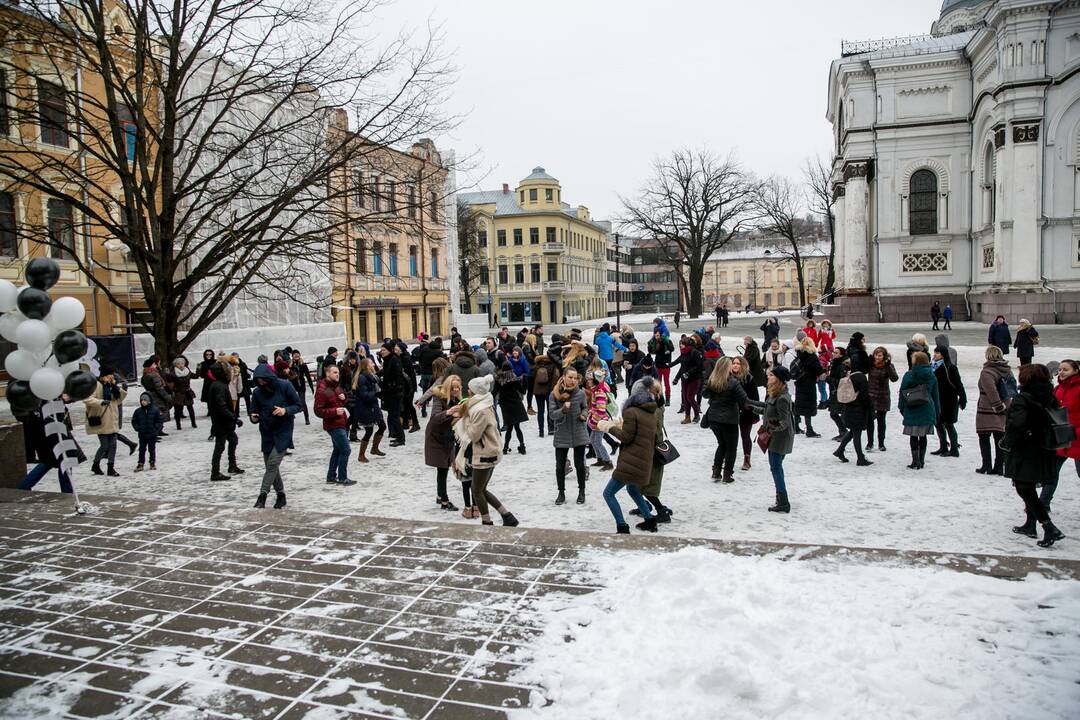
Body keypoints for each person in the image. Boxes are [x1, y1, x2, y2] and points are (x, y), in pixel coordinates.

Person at [1002, 363, 1066, 547]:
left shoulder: (1023, 398)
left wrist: (1008, 443)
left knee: (1024, 487)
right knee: (1027, 485)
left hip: (1027, 449)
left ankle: (1048, 526)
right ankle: (1031, 524)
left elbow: (1016, 425)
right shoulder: (1049, 394)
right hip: (1044, 448)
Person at [450, 376, 519, 527]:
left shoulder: (480, 410)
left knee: (476, 491)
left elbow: (474, 435)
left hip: (484, 454)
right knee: (481, 489)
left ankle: (487, 521)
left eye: (470, 388)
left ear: (475, 392)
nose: (467, 390)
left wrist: (464, 419)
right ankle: (507, 516)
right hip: (489, 451)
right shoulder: (484, 403)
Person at [595, 378, 661, 534]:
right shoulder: (651, 412)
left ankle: (622, 526)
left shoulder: (631, 412)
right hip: (644, 460)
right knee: (632, 489)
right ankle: (650, 520)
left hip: (630, 461)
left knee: (608, 493)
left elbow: (626, 438)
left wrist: (609, 427)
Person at [249, 364, 301, 509]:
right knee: (271, 466)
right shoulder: (257, 393)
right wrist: (253, 417)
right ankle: (281, 494)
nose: (262, 383)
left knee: (272, 463)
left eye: (264, 380)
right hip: (266, 431)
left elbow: (298, 405)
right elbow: (253, 411)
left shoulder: (285, 386)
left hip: (283, 430)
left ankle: (262, 496)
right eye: (258, 381)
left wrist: (285, 410)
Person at [702, 356, 751, 483]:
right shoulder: (733, 382)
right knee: (731, 448)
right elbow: (745, 401)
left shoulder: (712, 381)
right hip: (729, 420)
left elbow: (705, 394)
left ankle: (716, 472)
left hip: (714, 419)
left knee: (721, 445)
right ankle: (727, 474)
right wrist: (763, 406)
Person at [549, 368, 591, 505]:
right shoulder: (555, 394)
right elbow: (552, 415)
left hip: (578, 431)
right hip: (562, 432)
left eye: (575, 378)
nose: (573, 380)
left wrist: (584, 415)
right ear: (564, 377)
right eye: (570, 377)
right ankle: (561, 493)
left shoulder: (581, 393)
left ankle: (582, 491)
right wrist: (563, 410)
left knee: (580, 465)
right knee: (560, 466)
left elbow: (585, 407)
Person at [425, 374, 464, 512]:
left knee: (444, 467)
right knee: (442, 468)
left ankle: (439, 495)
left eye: (458, 388)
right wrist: (448, 412)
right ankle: (444, 500)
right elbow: (434, 418)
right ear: (448, 387)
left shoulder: (457, 399)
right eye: (453, 388)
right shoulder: (439, 398)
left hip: (447, 437)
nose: (455, 390)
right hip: (436, 437)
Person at [313, 363, 355, 487]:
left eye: (338, 372)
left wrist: (344, 398)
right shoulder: (322, 390)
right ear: (327, 374)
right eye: (335, 372)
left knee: (337, 450)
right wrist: (334, 412)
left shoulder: (336, 387)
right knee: (345, 449)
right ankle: (342, 478)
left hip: (341, 422)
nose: (338, 375)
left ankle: (331, 476)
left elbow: (342, 402)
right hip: (333, 424)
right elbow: (317, 410)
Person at [976, 345, 1015, 475]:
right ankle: (999, 466)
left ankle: (986, 465)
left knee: (984, 436)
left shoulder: (987, 371)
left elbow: (991, 390)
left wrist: (997, 406)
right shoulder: (1007, 369)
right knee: (1000, 437)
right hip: (1006, 405)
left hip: (988, 407)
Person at [760, 366, 794, 513]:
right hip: (776, 436)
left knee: (776, 468)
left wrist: (770, 430)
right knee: (776, 467)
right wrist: (751, 406)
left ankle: (783, 501)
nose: (768, 377)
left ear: (778, 379)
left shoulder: (782, 398)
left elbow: (785, 422)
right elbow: (767, 410)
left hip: (780, 438)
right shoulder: (774, 394)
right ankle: (781, 498)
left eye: (771, 375)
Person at [898, 351, 940, 470]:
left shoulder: (909, 375)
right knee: (923, 436)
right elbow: (935, 395)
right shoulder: (931, 375)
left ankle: (915, 461)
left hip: (912, 407)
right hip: (927, 407)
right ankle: (921, 461)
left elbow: (902, 393)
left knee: (913, 436)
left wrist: (901, 407)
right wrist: (937, 411)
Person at [1049, 360, 1080, 511]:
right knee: (1051, 473)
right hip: (1060, 437)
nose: (1061, 372)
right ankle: (1043, 504)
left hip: (1077, 438)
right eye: (1060, 369)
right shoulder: (1057, 389)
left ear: (1075, 371)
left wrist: (1075, 432)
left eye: (1065, 370)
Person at [84, 367, 127, 477]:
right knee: (104, 445)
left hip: (112, 419)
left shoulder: (111, 387)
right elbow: (87, 399)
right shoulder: (96, 386)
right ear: (103, 376)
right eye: (109, 376)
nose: (111, 377)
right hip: (102, 420)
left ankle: (110, 468)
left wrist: (115, 386)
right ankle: (96, 464)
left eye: (112, 375)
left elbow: (119, 399)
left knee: (113, 445)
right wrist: (101, 402)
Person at [207, 361, 242, 482]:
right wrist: (234, 418)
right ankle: (215, 472)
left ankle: (232, 465)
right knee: (219, 447)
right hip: (221, 423)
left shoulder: (219, 385)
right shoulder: (218, 386)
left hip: (224, 422)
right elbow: (221, 406)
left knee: (233, 440)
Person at [931, 342, 966, 458]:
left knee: (949, 424)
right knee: (938, 424)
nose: (935, 354)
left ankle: (954, 449)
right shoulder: (932, 366)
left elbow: (958, 384)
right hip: (937, 399)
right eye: (935, 352)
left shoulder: (950, 367)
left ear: (943, 354)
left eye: (938, 352)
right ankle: (943, 446)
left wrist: (962, 398)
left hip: (949, 400)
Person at [834, 365, 872, 466]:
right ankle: (860, 457)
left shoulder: (849, 375)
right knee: (857, 434)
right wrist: (870, 407)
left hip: (848, 406)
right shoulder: (861, 377)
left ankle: (840, 451)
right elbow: (864, 396)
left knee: (853, 431)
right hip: (858, 409)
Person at [865, 347, 899, 452]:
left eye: (880, 355)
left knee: (881, 420)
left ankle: (881, 443)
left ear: (884, 356)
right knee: (870, 420)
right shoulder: (870, 365)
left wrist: (888, 366)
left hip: (883, 396)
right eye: (876, 355)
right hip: (871, 395)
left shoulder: (888, 366)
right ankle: (870, 443)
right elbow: (862, 369)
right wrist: (868, 360)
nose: (877, 357)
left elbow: (894, 378)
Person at [353, 358, 386, 462]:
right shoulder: (363, 378)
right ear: (367, 366)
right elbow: (364, 395)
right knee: (369, 431)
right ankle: (361, 455)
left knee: (382, 426)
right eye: (371, 363)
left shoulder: (372, 376)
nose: (373, 364)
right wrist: (377, 394)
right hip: (366, 408)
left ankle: (374, 448)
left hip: (373, 406)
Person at [731, 356, 760, 471]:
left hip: (746, 412)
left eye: (738, 363)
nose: (735, 365)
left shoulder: (749, 378)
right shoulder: (728, 377)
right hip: (731, 411)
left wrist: (752, 411)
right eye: (734, 363)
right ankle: (727, 456)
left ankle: (747, 459)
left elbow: (755, 397)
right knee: (731, 436)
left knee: (745, 435)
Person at [377, 341, 407, 447]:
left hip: (395, 393)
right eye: (381, 350)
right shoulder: (387, 360)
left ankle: (401, 439)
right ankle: (398, 437)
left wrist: (395, 389)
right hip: (390, 393)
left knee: (395, 416)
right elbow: (385, 374)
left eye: (384, 350)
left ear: (389, 350)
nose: (381, 352)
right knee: (393, 415)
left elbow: (398, 377)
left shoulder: (394, 360)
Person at [585, 368, 614, 472]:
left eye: (590, 379)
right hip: (596, 420)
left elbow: (601, 410)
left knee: (597, 441)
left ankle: (608, 462)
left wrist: (592, 412)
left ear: (595, 381)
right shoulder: (595, 390)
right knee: (593, 440)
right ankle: (600, 459)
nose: (588, 381)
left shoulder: (599, 392)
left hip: (600, 421)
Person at [792, 337, 822, 438]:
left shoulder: (799, 354)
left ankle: (796, 426)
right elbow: (819, 370)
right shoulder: (812, 356)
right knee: (808, 406)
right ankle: (809, 429)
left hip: (800, 382)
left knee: (799, 403)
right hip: (809, 383)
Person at [496, 362, 528, 454]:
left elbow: (494, 392)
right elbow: (523, 391)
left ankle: (505, 448)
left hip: (505, 405)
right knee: (517, 427)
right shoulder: (514, 379)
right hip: (515, 404)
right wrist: (525, 381)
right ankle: (522, 446)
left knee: (509, 427)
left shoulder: (499, 380)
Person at [671, 335, 704, 424]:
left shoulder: (695, 352)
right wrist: (676, 378)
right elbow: (681, 366)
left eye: (682, 344)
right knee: (685, 399)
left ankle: (697, 415)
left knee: (690, 398)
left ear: (687, 344)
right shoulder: (683, 353)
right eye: (680, 344)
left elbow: (699, 366)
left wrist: (688, 373)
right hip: (684, 379)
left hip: (694, 379)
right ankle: (687, 417)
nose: (680, 346)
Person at [130, 392, 163, 472]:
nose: (143, 402)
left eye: (145, 400)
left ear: (149, 401)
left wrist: (155, 429)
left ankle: (152, 462)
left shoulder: (155, 410)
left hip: (152, 434)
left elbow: (159, 421)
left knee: (151, 449)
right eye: (142, 400)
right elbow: (134, 421)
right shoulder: (138, 411)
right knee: (142, 449)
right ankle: (140, 463)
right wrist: (138, 428)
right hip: (142, 434)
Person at [140, 356, 171, 436]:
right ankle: (156, 431)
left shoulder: (145, 374)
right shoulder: (154, 375)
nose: (156, 365)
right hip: (157, 397)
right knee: (160, 414)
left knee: (156, 414)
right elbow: (159, 388)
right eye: (154, 364)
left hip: (151, 395)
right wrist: (167, 397)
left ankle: (158, 431)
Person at [531, 352, 559, 438]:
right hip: (549, 391)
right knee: (550, 410)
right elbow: (555, 378)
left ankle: (541, 431)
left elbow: (533, 377)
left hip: (538, 392)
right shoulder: (552, 365)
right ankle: (551, 429)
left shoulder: (536, 366)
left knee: (540, 411)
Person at [165, 357, 197, 430]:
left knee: (190, 408)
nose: (181, 365)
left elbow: (196, 376)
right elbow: (169, 380)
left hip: (187, 392)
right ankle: (178, 425)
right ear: (175, 365)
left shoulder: (187, 371)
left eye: (182, 363)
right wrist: (167, 374)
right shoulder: (173, 373)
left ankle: (193, 423)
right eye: (178, 364)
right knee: (178, 410)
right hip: (178, 393)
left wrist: (198, 369)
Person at [826, 346, 849, 440]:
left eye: (836, 353)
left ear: (841, 355)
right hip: (833, 392)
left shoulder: (842, 366)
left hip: (839, 393)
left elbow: (841, 381)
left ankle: (844, 432)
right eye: (833, 352)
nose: (833, 354)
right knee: (833, 413)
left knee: (836, 413)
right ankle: (842, 431)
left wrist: (829, 379)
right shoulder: (834, 363)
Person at [648, 330, 675, 405]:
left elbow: (672, 349)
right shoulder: (655, 342)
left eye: (658, 335)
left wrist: (664, 341)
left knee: (666, 383)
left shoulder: (667, 341)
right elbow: (651, 351)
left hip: (665, 365)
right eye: (655, 335)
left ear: (661, 335)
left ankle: (668, 399)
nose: (657, 337)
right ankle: (659, 397)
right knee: (658, 383)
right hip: (658, 365)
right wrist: (650, 344)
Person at [197, 349, 217, 417]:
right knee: (209, 398)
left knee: (216, 397)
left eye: (210, 354)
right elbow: (201, 375)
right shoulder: (202, 363)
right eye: (207, 354)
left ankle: (216, 410)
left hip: (215, 382)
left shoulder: (216, 362)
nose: (209, 356)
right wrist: (199, 370)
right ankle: (210, 411)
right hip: (207, 383)